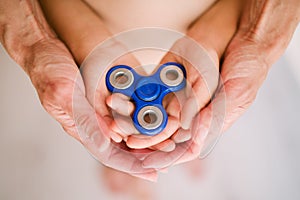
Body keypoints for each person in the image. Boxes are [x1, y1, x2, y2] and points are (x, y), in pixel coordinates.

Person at [0, 0, 299, 182]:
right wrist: (75, 39)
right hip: (84, 17)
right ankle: (139, 155)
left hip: (212, 19)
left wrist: (218, 38)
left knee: (191, 108)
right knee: (108, 115)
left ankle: (169, 146)